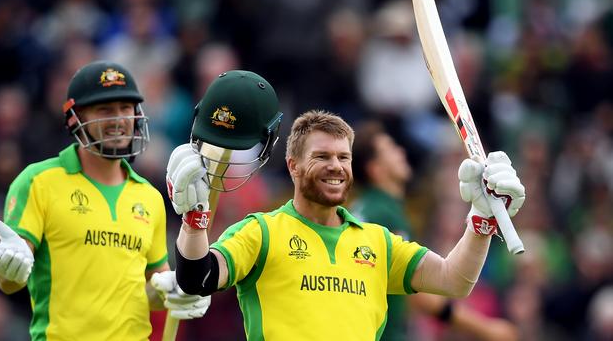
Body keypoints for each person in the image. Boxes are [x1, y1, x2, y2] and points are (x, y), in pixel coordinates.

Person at [167, 108, 526, 340]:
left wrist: (481, 220)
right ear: (293, 165)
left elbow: (453, 280)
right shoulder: (261, 231)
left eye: (344, 157)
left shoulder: (378, 242)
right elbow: (197, 277)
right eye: (321, 156)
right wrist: (194, 222)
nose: (336, 166)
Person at [0, 60, 210, 341]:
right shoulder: (38, 181)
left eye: (125, 108)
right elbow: (9, 282)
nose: (118, 119)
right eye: (105, 109)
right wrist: (10, 265)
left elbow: (151, 287)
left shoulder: (149, 197)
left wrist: (174, 290)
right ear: (75, 117)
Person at [351, 120, 518, 341]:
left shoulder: (364, 208)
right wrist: (485, 329)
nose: (400, 151)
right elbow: (416, 290)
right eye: (389, 149)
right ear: (375, 169)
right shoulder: (384, 214)